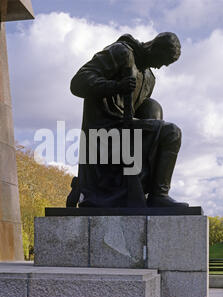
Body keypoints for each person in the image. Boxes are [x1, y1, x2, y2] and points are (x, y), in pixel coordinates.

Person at [66, 32, 188, 208]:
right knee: (172, 132)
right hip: (103, 133)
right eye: (161, 60)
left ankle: (152, 193)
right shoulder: (120, 52)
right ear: (153, 46)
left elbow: (138, 114)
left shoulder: (149, 79)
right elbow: (78, 83)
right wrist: (115, 87)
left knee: (154, 109)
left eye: (165, 64)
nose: (161, 67)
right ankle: (159, 195)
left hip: (126, 130)